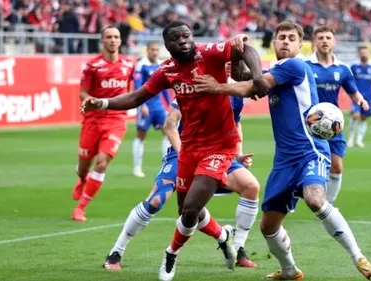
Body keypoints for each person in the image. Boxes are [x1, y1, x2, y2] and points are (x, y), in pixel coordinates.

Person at [80, 21, 268, 281]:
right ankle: (224, 236)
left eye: (186, 35)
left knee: (198, 205)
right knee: (185, 212)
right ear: (167, 46)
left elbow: (245, 50)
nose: (183, 40)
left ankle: (170, 254)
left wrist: (257, 78)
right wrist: (101, 102)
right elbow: (136, 98)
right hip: (186, 148)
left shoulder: (213, 58)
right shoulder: (167, 71)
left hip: (218, 148)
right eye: (176, 38)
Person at [192, 20, 371, 280]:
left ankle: (359, 258)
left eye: (292, 38)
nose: (286, 41)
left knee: (315, 199)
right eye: (281, 37)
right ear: (274, 42)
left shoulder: (294, 66)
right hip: (284, 160)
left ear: (300, 45)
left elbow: (251, 87)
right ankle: (290, 270)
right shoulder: (275, 70)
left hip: (310, 150)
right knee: (268, 226)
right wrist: (237, 52)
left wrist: (216, 87)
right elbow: (245, 78)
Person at [104, 96, 260, 271]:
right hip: (184, 151)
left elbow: (235, 124)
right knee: (159, 202)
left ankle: (239, 249)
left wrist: (238, 154)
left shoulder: (235, 94)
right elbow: (170, 124)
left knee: (251, 186)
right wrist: (184, 155)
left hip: (218, 154)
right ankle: (116, 252)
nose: (227, 68)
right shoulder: (190, 86)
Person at [71, 26, 135, 222]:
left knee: (101, 162)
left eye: (116, 37)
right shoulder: (92, 66)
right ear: (102, 41)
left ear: (120, 41)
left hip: (116, 120)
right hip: (93, 120)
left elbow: (133, 89)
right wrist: (90, 100)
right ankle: (82, 179)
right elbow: (82, 92)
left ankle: (81, 208)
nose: (113, 40)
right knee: (84, 165)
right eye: (109, 37)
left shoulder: (129, 65)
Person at [305, 26, 369, 205]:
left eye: (328, 38)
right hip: (308, 125)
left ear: (334, 42)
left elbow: (352, 91)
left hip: (332, 125)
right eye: (320, 38)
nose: (324, 41)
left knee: (337, 166)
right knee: (304, 165)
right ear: (314, 42)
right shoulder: (305, 66)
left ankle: (329, 205)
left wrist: (361, 100)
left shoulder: (342, 69)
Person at [132, 41, 172, 178]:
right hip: (146, 106)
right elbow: (137, 86)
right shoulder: (141, 64)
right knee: (141, 135)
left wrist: (169, 105)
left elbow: (165, 88)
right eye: (152, 49)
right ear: (147, 50)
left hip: (158, 106)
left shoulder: (161, 65)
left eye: (156, 50)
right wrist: (141, 104)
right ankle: (137, 167)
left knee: (168, 132)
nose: (155, 52)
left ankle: (166, 164)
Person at [347, 46, 371, 148]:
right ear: (359, 54)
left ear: (368, 53)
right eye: (362, 52)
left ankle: (359, 139)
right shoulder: (354, 66)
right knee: (355, 115)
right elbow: (349, 80)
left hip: (368, 96)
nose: (364, 54)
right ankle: (351, 138)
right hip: (356, 95)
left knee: (364, 118)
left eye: (365, 52)